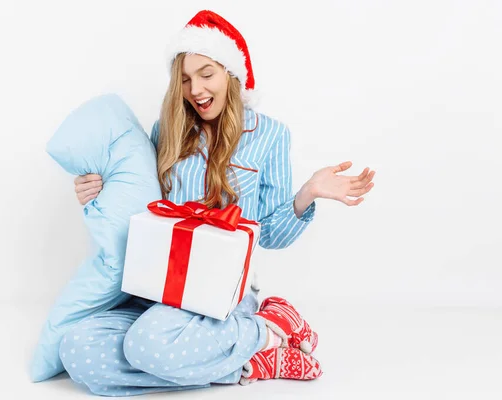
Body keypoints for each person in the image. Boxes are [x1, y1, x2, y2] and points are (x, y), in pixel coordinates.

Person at [64, 10, 375, 396]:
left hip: (219, 295)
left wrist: (306, 194)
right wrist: (99, 189)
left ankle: (262, 327)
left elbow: (270, 235)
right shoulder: (168, 131)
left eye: (206, 74)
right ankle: (252, 359)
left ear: (230, 74)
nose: (195, 89)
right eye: (185, 79)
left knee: (146, 344)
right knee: (77, 351)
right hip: (156, 288)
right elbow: (142, 202)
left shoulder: (270, 135)